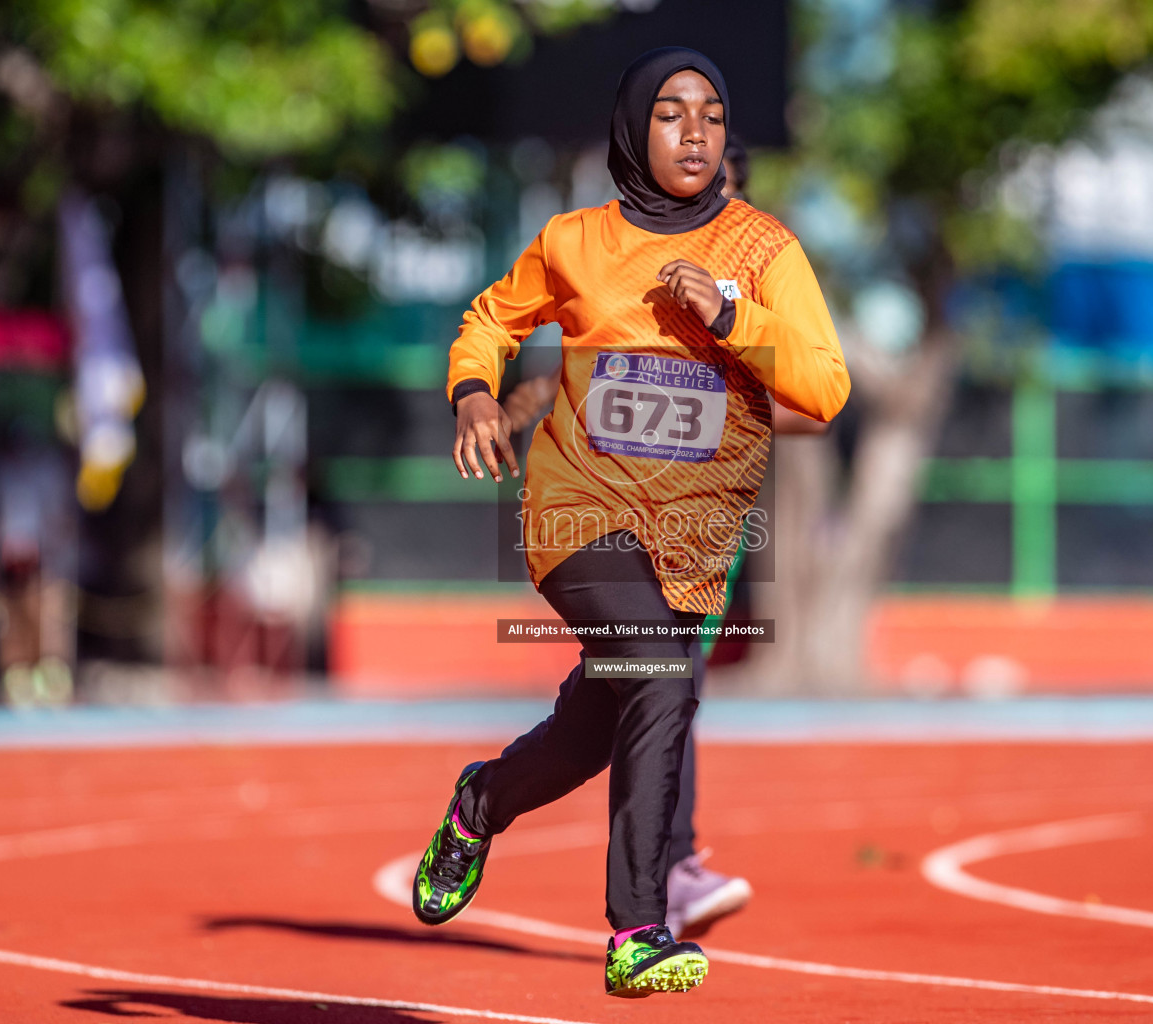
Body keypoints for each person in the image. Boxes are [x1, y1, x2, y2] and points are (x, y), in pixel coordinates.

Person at [413, 47, 849, 998]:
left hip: (694, 538)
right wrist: (475, 394)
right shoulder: (575, 240)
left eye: (713, 116)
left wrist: (734, 318)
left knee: (595, 725)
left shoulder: (765, 254)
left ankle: (480, 803)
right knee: (656, 668)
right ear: (630, 129)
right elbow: (489, 318)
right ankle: (639, 928)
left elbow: (825, 389)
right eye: (670, 113)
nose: (695, 133)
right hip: (575, 509)